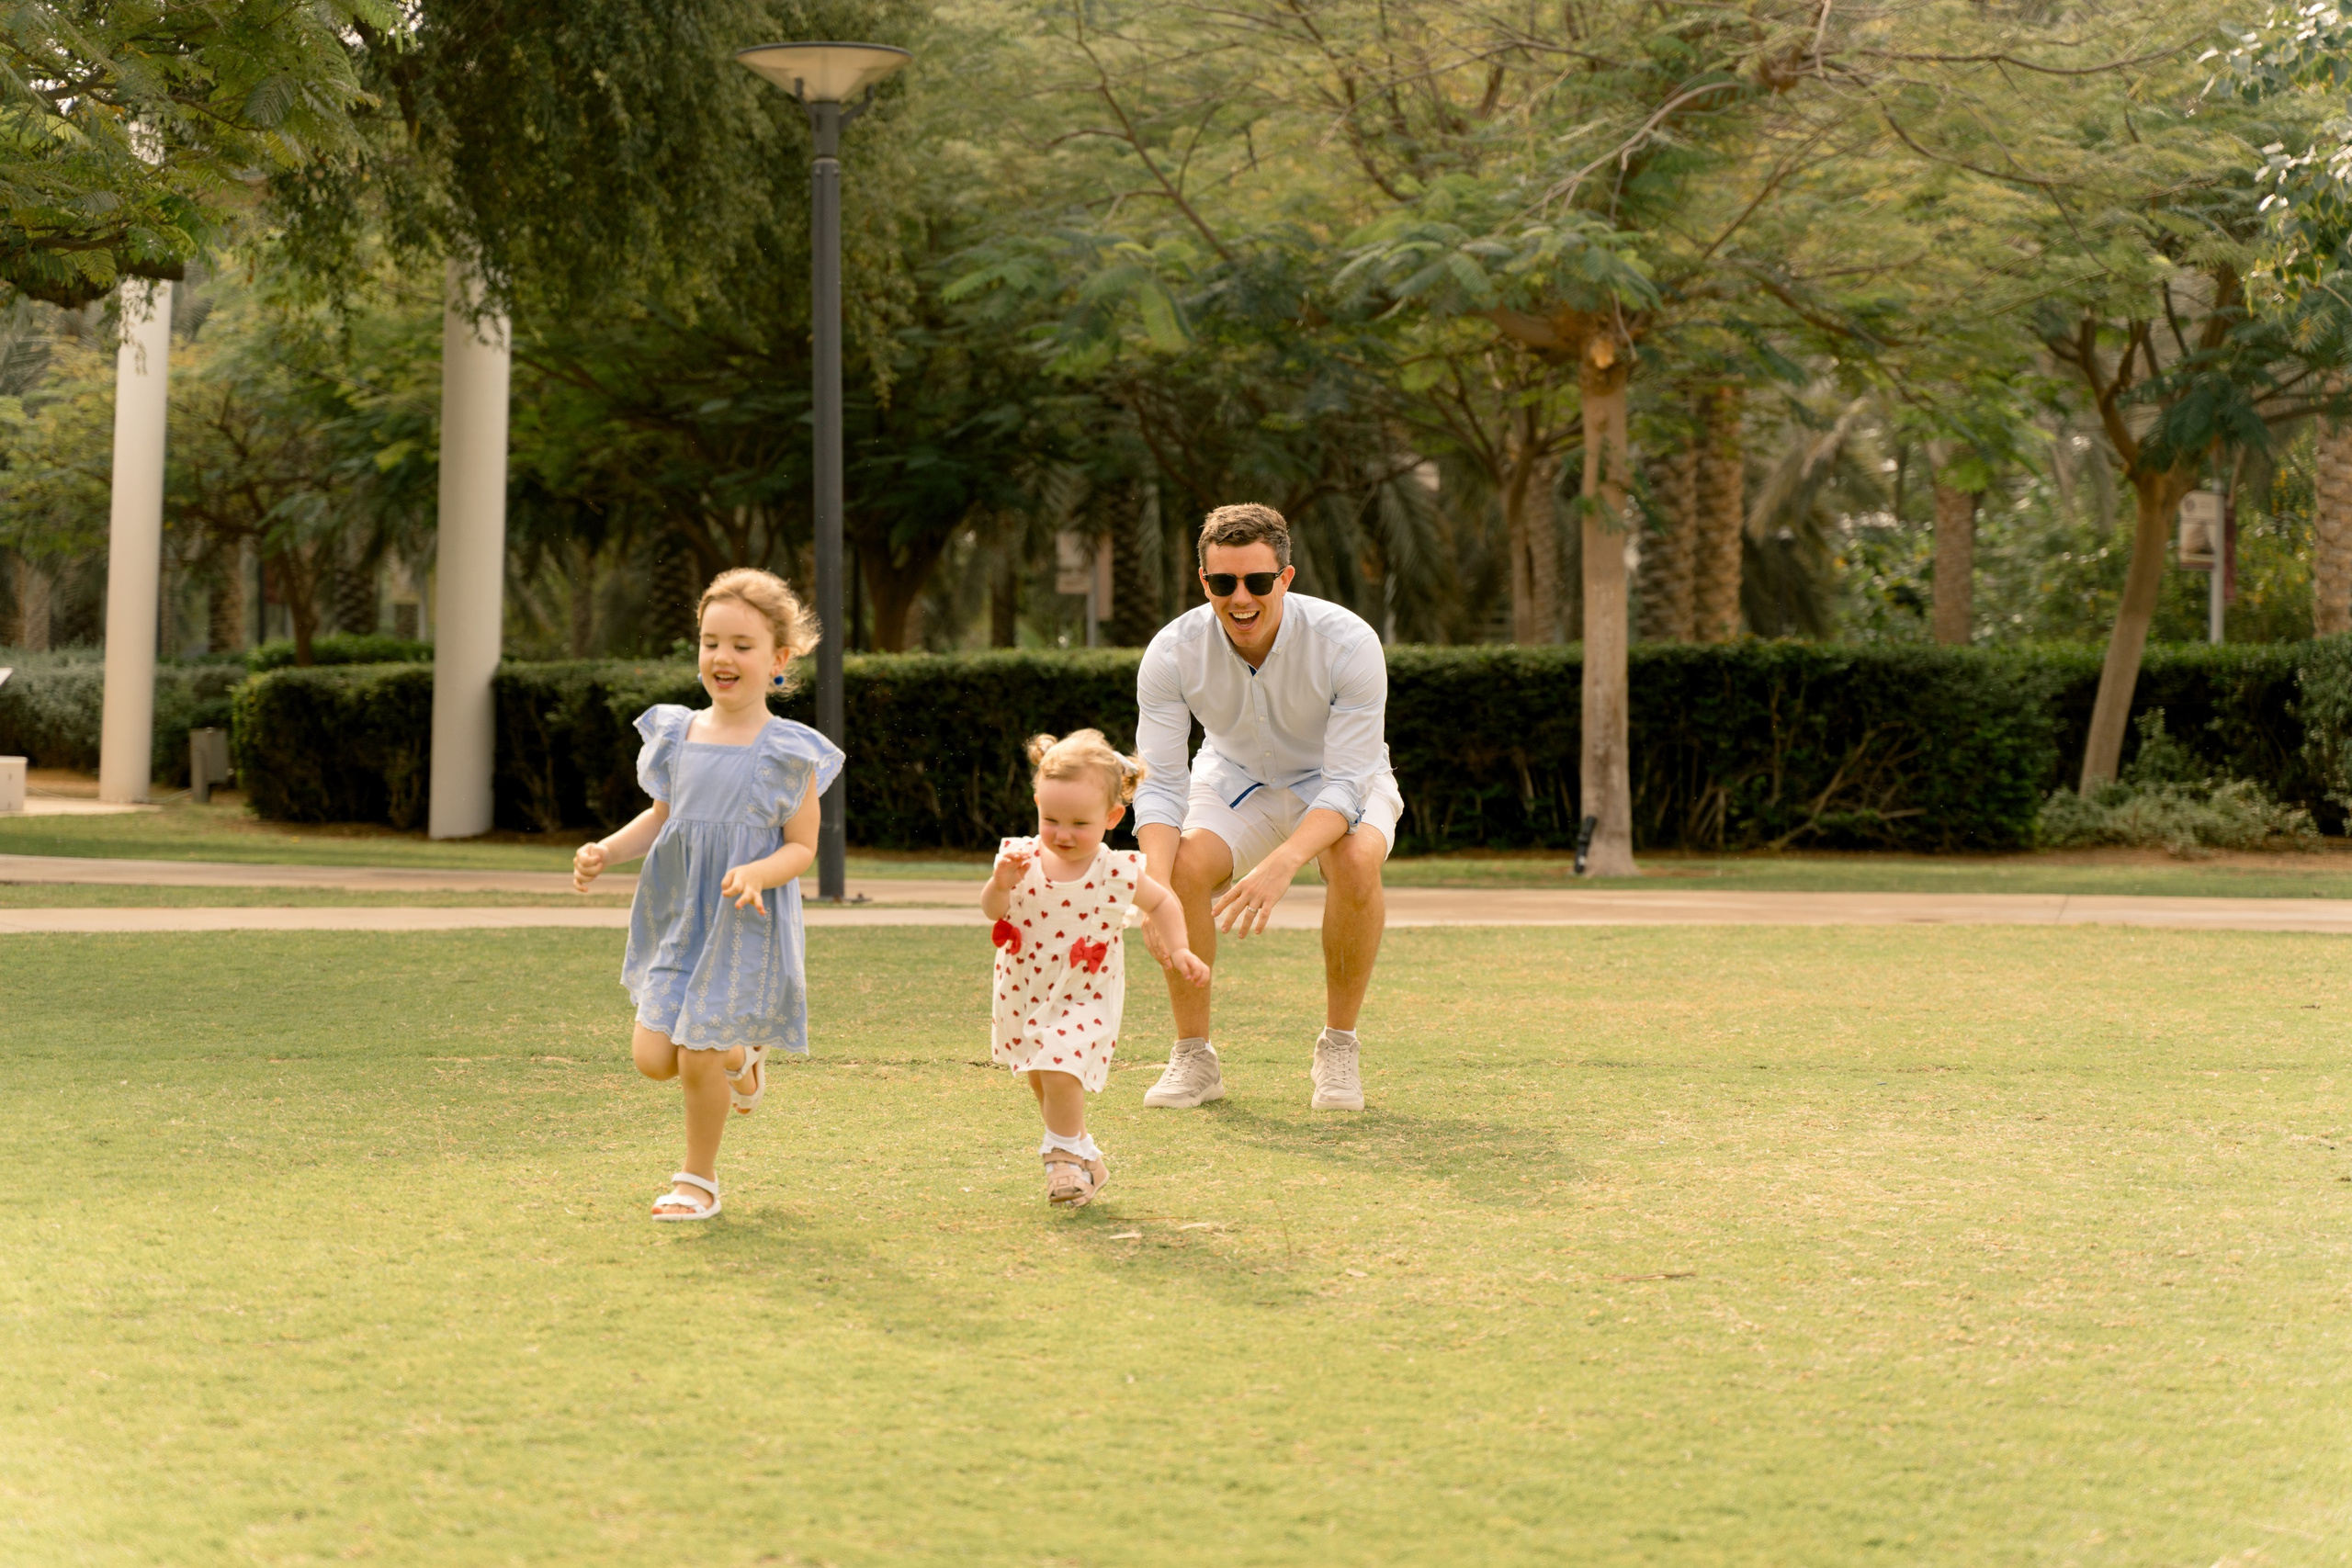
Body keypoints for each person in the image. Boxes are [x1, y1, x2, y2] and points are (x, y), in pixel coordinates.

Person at [571, 568, 842, 1221]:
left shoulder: (788, 751)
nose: (722, 657)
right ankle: (743, 1059)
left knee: (696, 1057)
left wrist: (758, 872)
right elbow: (662, 817)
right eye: (710, 641)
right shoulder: (676, 733)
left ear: (778, 659)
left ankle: (698, 1180)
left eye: (742, 645)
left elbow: (802, 845)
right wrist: (607, 849)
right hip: (679, 918)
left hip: (744, 921)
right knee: (654, 1058)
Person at [1131, 502, 1403, 1112]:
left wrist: (1283, 863)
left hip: (1336, 781)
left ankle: (1338, 1047)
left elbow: (1344, 783)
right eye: (1224, 583)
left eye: (1257, 581)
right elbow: (1162, 783)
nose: (1241, 598)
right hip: (1234, 779)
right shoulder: (1172, 652)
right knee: (1177, 869)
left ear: (1286, 577)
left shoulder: (1349, 641)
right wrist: (1153, 888)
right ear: (1205, 582)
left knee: (1357, 859)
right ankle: (1194, 1057)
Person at [982, 730, 1210, 1205]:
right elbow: (993, 910)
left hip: (1084, 992)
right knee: (1041, 1076)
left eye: (1079, 824)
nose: (1063, 834)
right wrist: (1000, 882)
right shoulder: (1021, 858)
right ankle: (1087, 1157)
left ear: (1111, 818)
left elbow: (1164, 903)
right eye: (1051, 819)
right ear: (1037, 803)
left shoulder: (1115, 870)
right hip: (1025, 988)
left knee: (1061, 1066)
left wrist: (1182, 949)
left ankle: (1060, 1159)